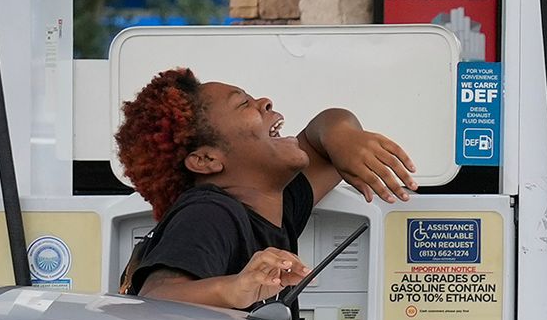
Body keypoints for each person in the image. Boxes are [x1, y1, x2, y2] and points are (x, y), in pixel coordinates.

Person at [114, 69, 414, 307]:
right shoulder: (209, 212)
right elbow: (156, 299)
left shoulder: (274, 203)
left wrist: (342, 134)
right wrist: (236, 289)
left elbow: (321, 134)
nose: (265, 101)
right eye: (244, 103)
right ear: (206, 159)